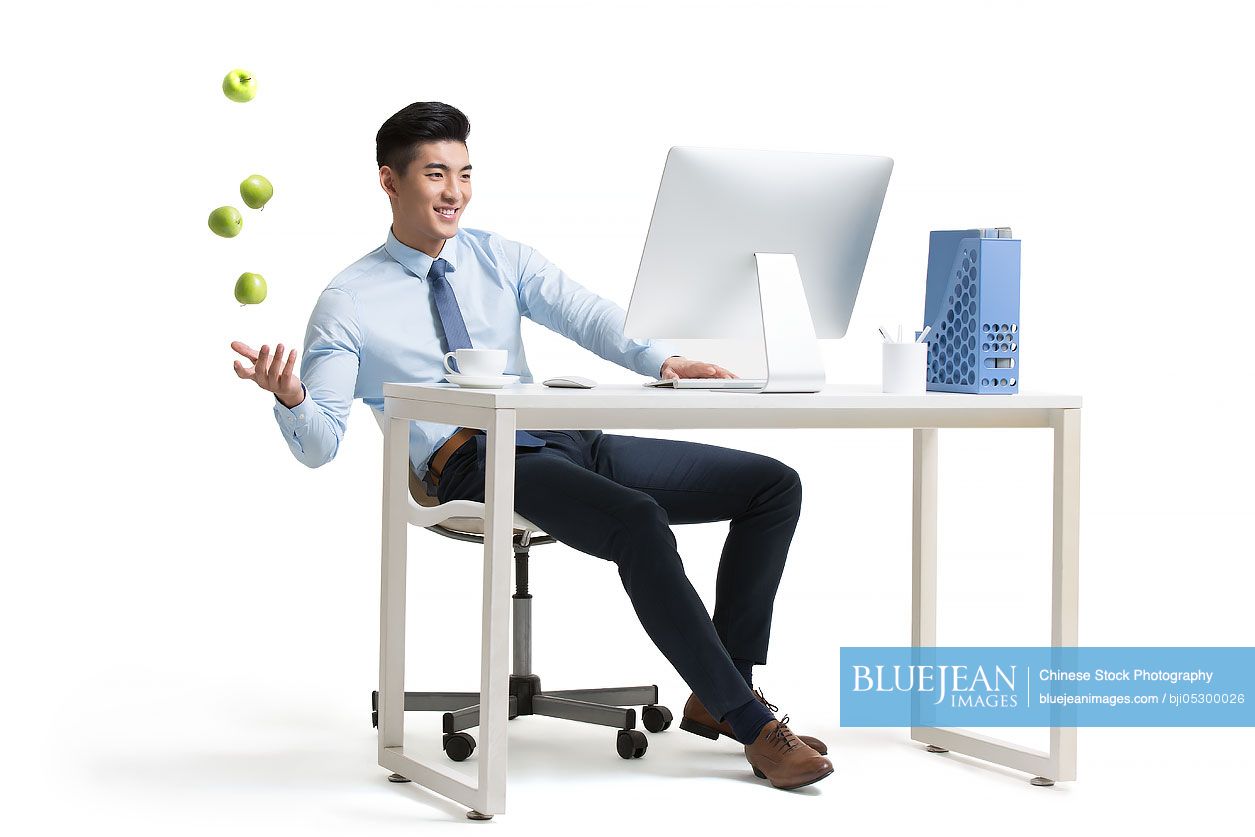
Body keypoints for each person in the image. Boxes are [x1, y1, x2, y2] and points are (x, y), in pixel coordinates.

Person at [230, 102, 832, 790]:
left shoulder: (498, 256)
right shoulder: (349, 300)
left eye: (463, 172)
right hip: (472, 461)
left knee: (771, 485)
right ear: (390, 183)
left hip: (560, 438)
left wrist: (663, 360)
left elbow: (584, 312)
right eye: (435, 174)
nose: (453, 190)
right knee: (637, 518)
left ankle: (721, 691)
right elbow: (319, 444)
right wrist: (292, 398)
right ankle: (755, 725)